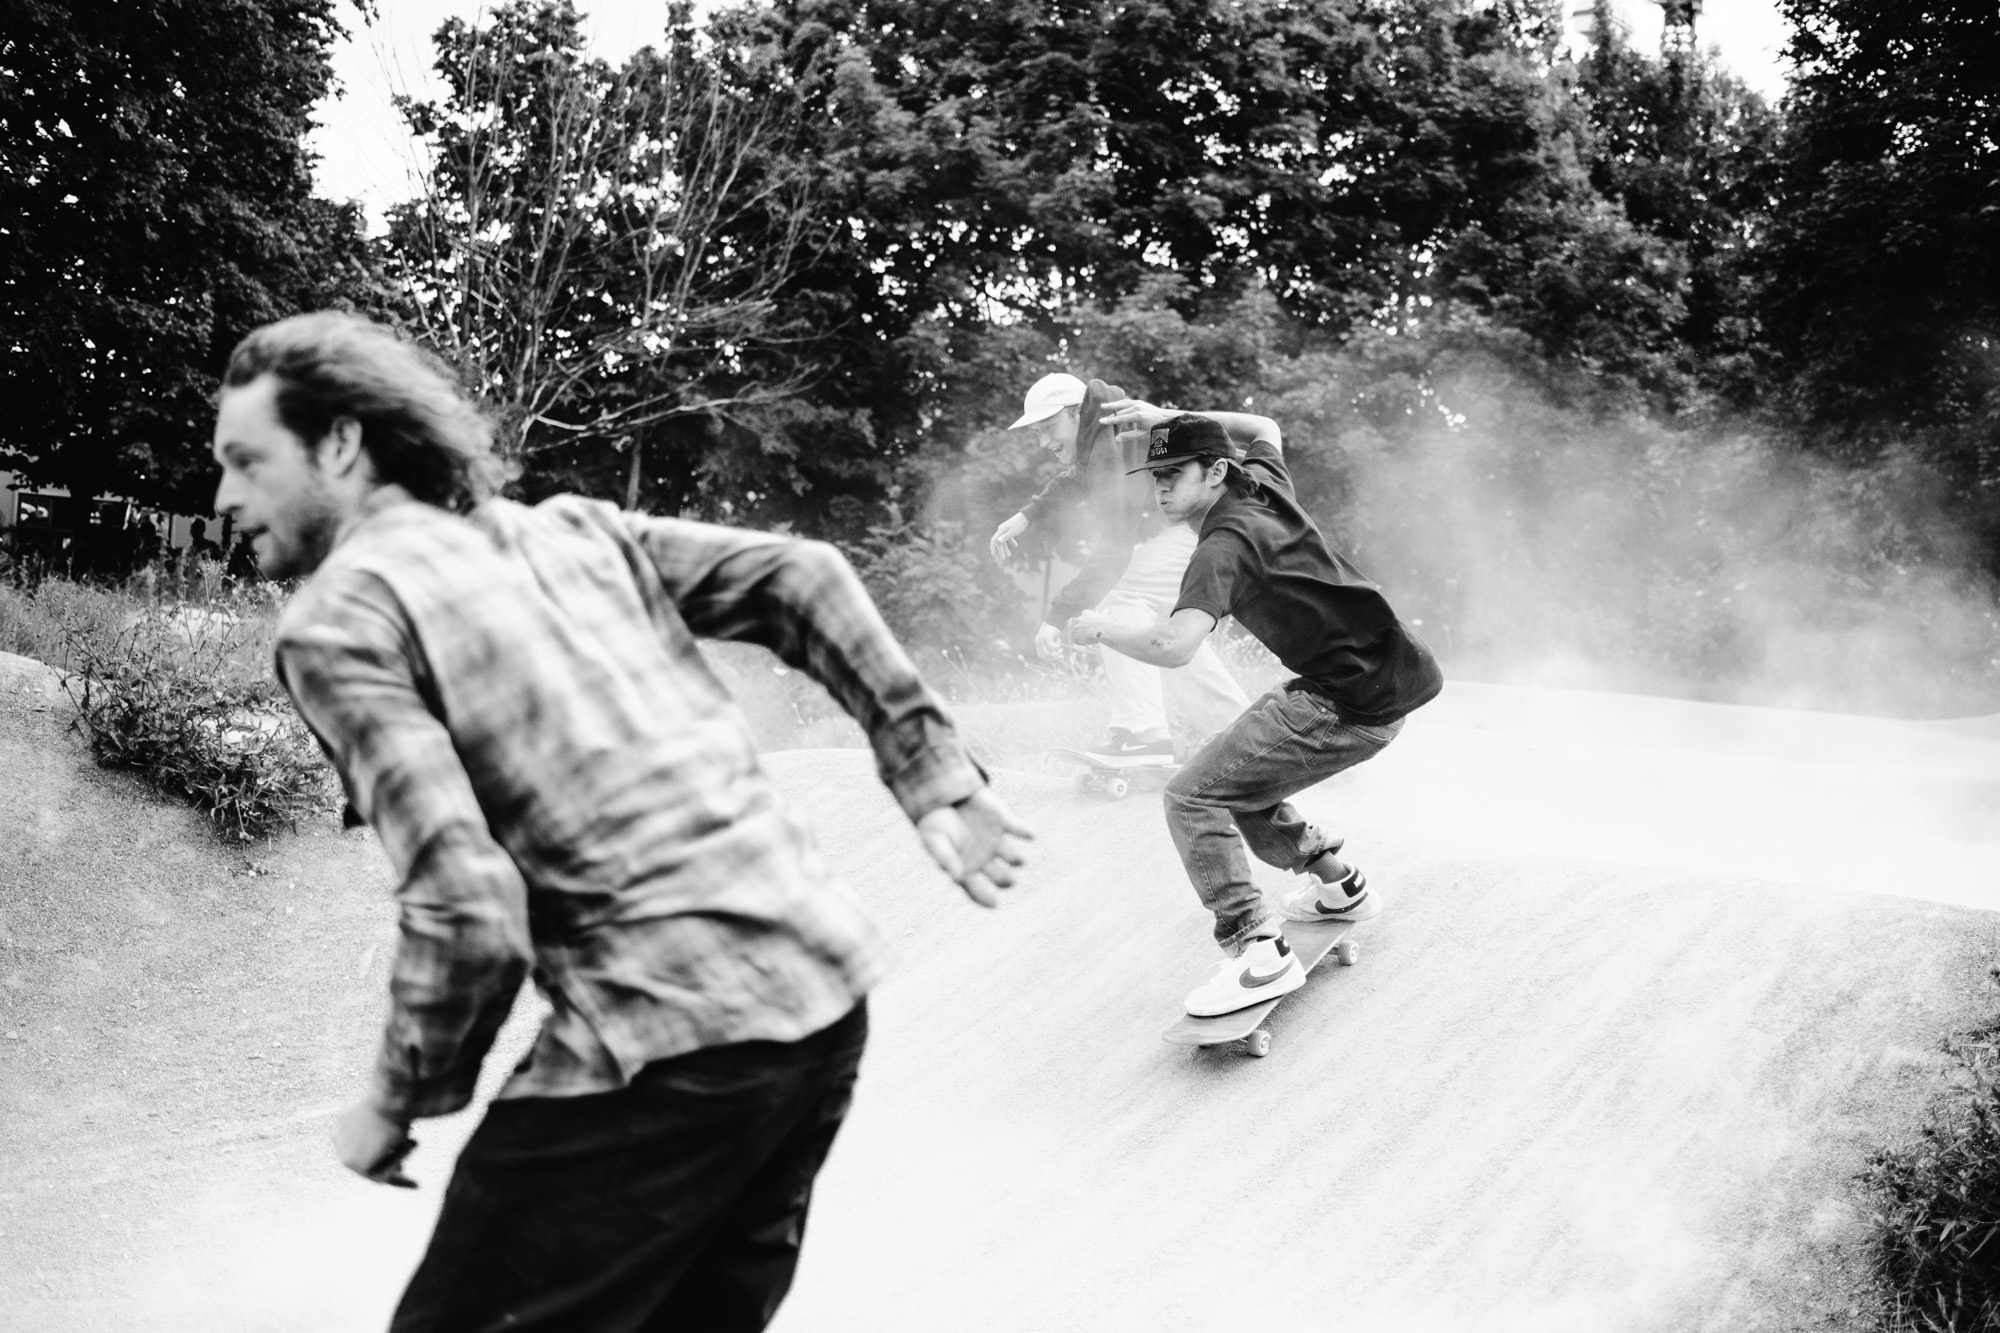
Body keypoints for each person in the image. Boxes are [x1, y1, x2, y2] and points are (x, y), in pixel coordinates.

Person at [209, 311, 1031, 1332]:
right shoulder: (571, 533)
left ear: (341, 442)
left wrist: (399, 1099)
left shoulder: (340, 619)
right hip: (817, 1008)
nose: (224, 496)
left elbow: (467, 902)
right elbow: (800, 576)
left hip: (662, 1046)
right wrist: (933, 773)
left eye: (246, 461)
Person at [1069, 406, 1441, 1019]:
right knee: (1234, 769)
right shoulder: (1263, 483)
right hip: (1378, 683)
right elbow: (1264, 427)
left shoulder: (1223, 545)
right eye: (1155, 477)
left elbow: (1173, 645)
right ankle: (1339, 883)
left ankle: (1258, 953)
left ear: (1216, 471)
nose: (1160, 489)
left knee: (1191, 796)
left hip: (1343, 705)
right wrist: (1168, 416)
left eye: (1174, 474)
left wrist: (1103, 629)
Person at [989, 372, 1246, 760]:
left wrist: (1056, 617)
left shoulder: (1109, 448)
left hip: (1212, 527)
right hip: (1214, 526)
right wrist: (1028, 515)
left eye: (1049, 428)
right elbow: (1078, 477)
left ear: (1076, 414)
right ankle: (1241, 736)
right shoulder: (1103, 433)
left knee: (1119, 594)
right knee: (1169, 634)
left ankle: (1143, 733)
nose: (1044, 442)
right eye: (1037, 433)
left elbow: (1114, 552)